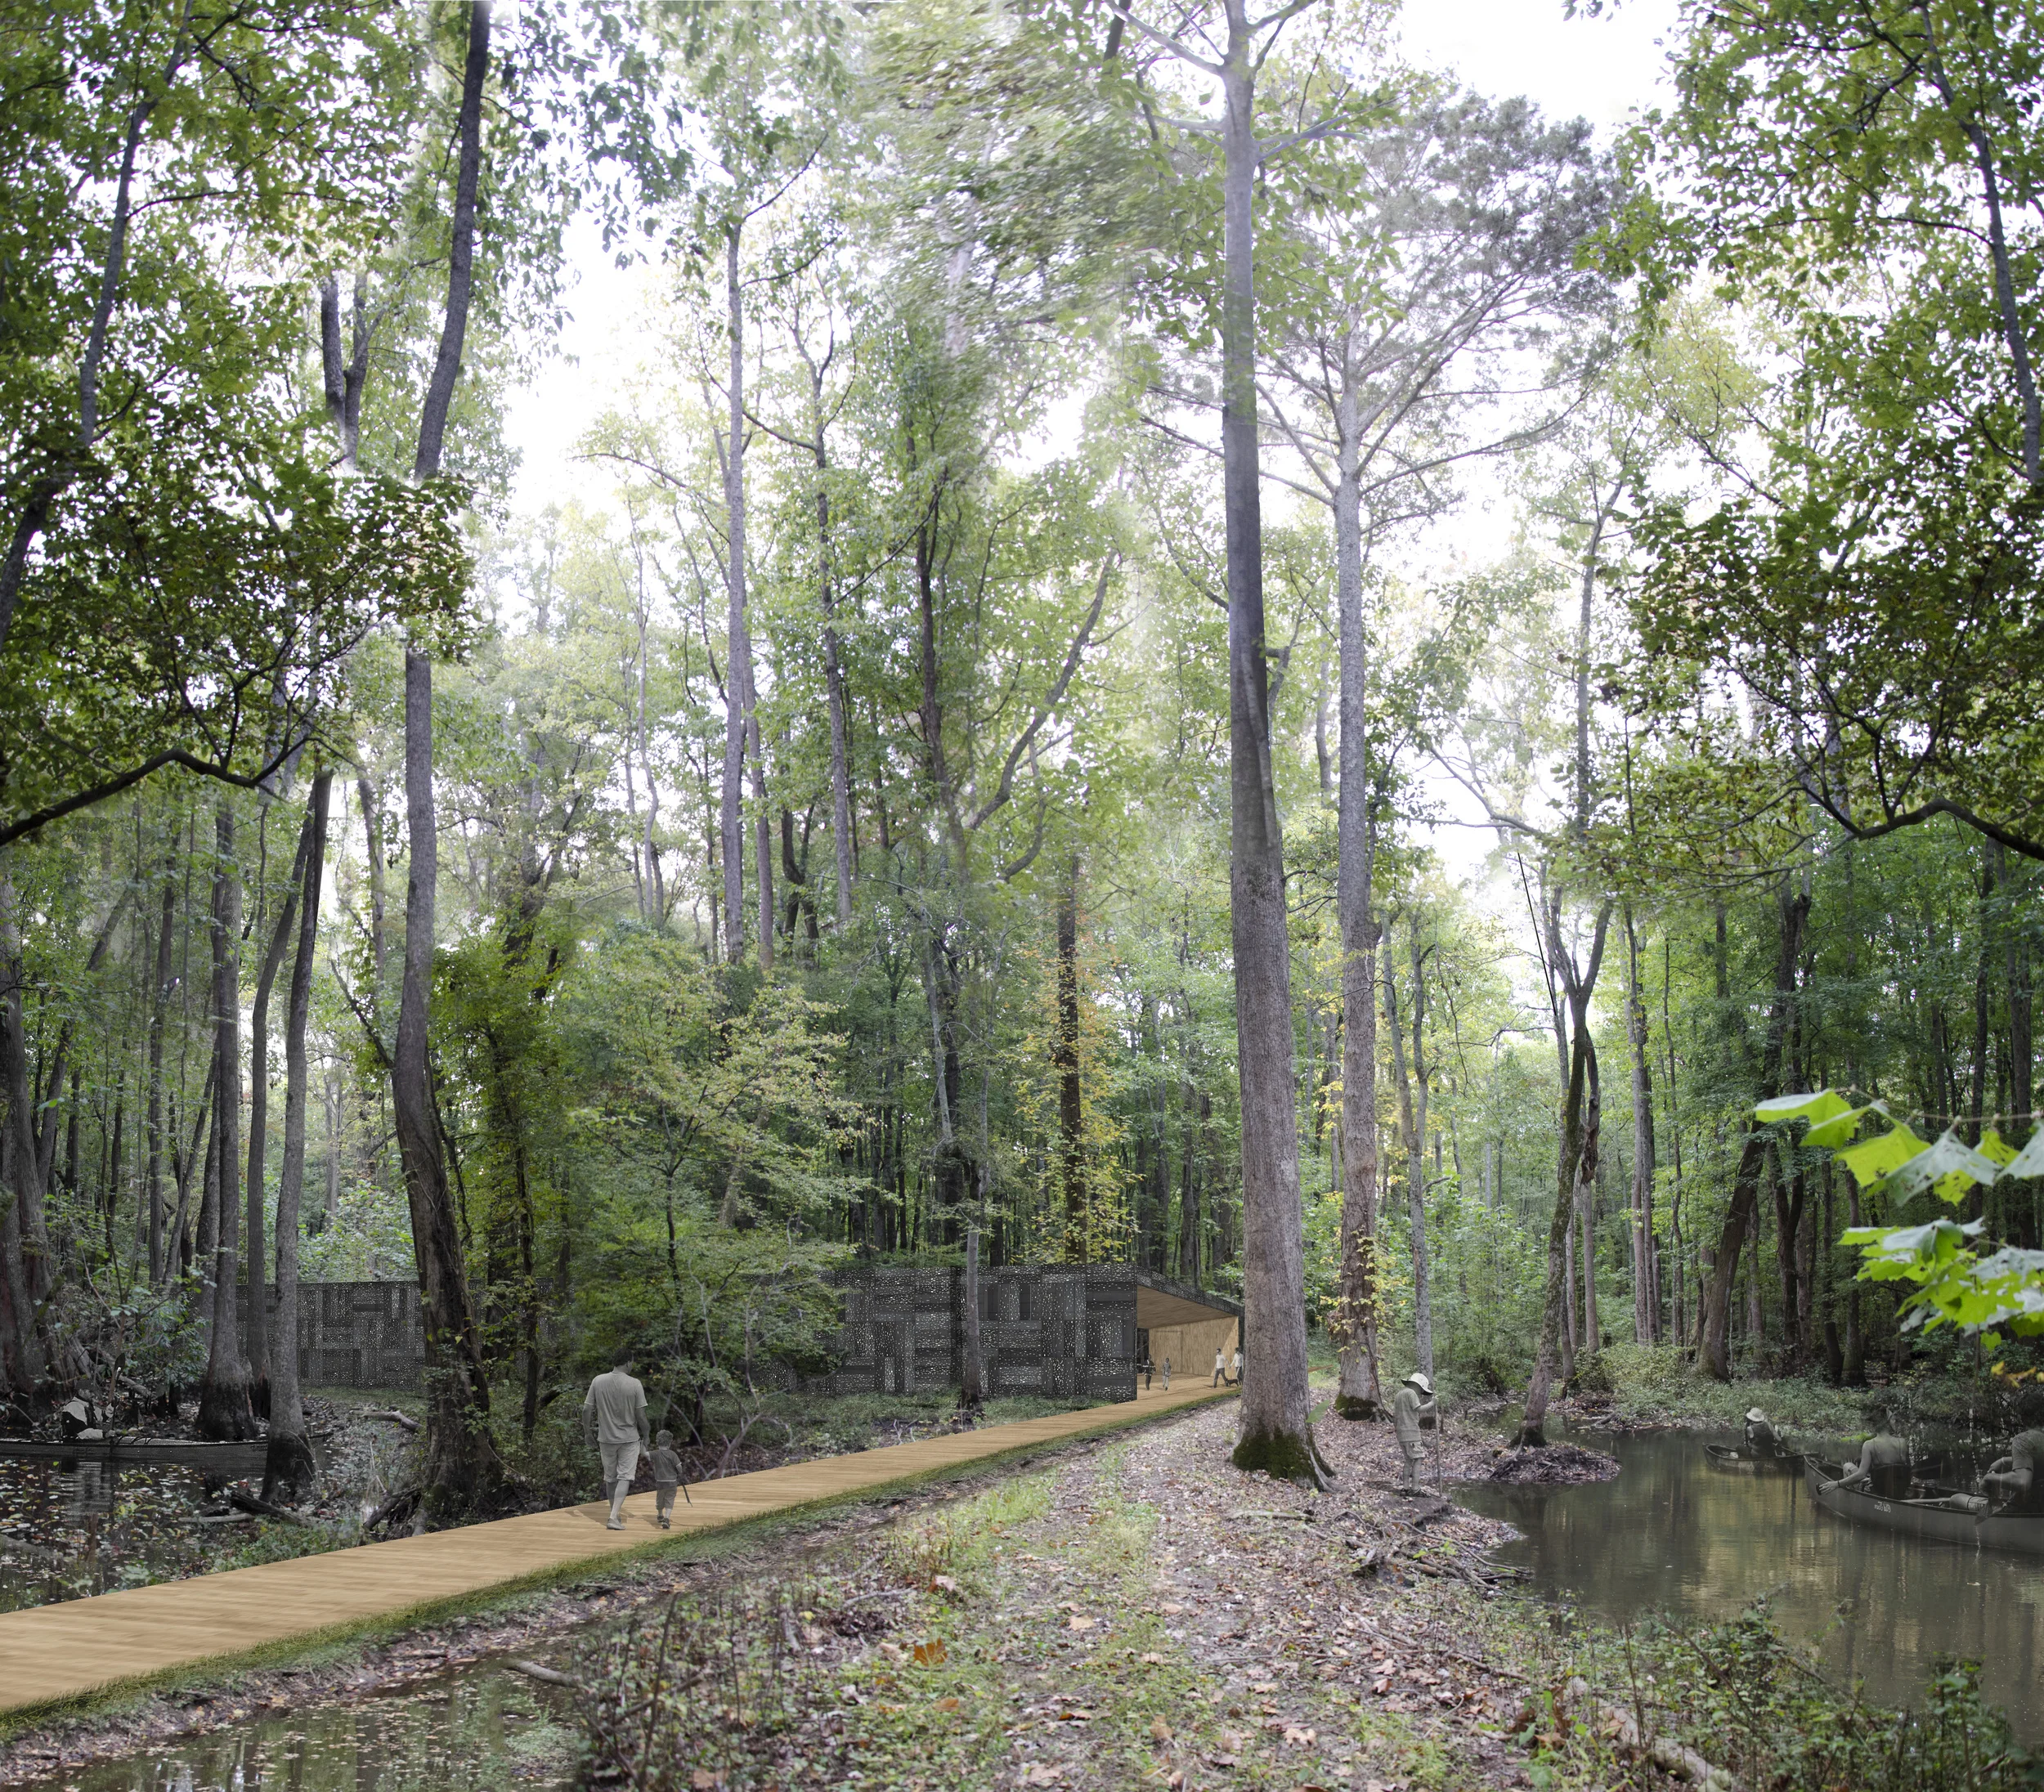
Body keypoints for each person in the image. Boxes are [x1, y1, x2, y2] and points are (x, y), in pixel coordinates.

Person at [583, 1344, 650, 1530]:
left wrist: (588, 1432)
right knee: (625, 1477)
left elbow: (587, 1409)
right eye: (632, 1363)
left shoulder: (598, 1381)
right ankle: (613, 1517)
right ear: (628, 1363)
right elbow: (641, 1416)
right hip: (629, 1439)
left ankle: (614, 1515)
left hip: (605, 1438)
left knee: (610, 1478)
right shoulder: (634, 1383)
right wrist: (647, 1434)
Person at [1833, 1409, 1912, 1499]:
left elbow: (1861, 1475)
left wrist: (1837, 1484)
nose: (1895, 1422)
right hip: (1898, 1489)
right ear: (1887, 1423)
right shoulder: (1902, 1442)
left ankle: (1851, 1504)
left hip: (1877, 1490)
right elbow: (1901, 1469)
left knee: (1847, 1465)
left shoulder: (1869, 1445)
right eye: (1893, 1419)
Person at [1392, 1371, 1436, 1494]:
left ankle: (1405, 1488)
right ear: (1417, 1385)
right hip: (1412, 1432)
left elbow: (1395, 1416)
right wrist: (1432, 1403)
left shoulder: (1399, 1394)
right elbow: (1419, 1409)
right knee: (1418, 1458)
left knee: (1408, 1460)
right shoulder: (1411, 1393)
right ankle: (1415, 1488)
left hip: (1401, 1433)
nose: (1419, 1392)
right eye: (1420, 1389)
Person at [1983, 1428, 2044, 1512]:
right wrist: (2003, 1461)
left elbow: (2022, 1483)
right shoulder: (2040, 1438)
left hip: (2026, 1510)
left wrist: (1989, 1478)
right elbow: (2032, 1460)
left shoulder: (2023, 1439)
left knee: (1958, 1498)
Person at [648, 1428, 684, 1530]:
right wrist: (679, 1472)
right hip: (672, 1482)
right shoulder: (673, 1454)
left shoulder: (655, 1453)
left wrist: (641, 1445)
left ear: (658, 1442)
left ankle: (660, 1514)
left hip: (660, 1482)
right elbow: (679, 1467)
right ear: (669, 1443)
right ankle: (667, 1518)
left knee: (660, 1499)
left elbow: (646, 1454)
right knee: (670, 1499)